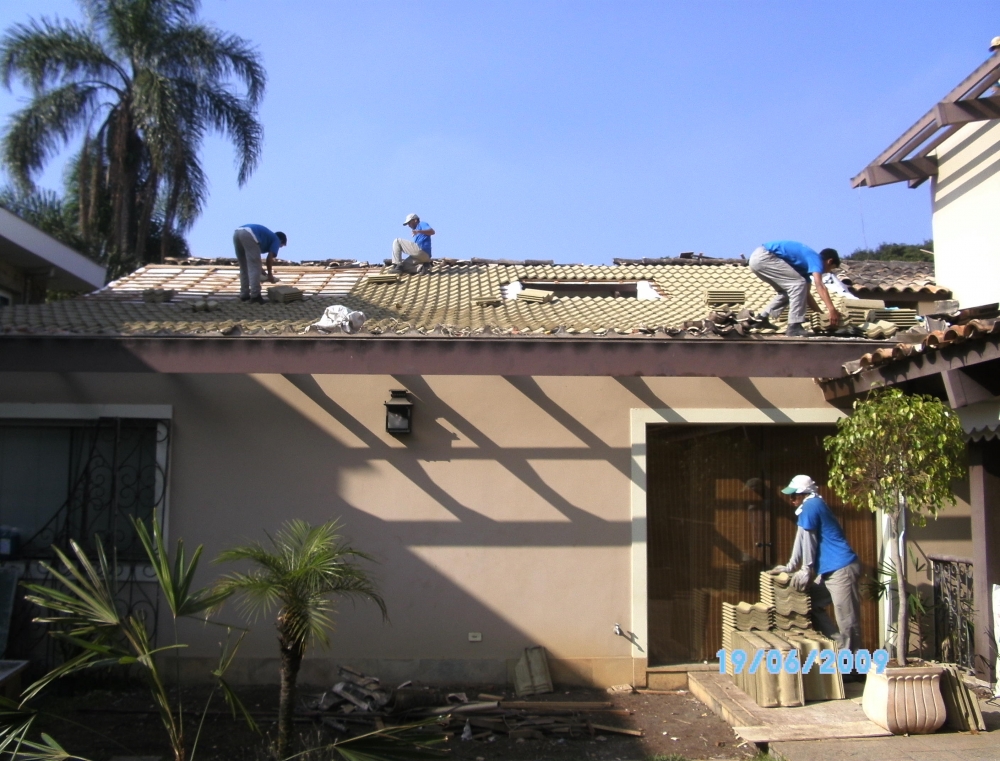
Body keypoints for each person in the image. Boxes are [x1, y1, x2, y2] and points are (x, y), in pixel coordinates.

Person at [771, 475, 862, 655]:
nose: (791, 500)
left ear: (805, 494)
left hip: (841, 568)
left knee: (847, 620)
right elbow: (801, 537)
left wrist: (806, 568)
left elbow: (810, 540)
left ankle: (853, 670)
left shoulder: (813, 505)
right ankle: (839, 646)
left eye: (794, 496)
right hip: (829, 571)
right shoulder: (808, 508)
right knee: (809, 603)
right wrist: (790, 566)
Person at [748, 242, 841, 337]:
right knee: (798, 284)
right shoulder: (816, 259)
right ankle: (794, 327)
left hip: (757, 260)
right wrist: (832, 310)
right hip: (765, 257)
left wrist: (822, 316)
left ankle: (761, 319)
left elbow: (806, 295)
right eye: (831, 268)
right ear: (829, 261)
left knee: (791, 289)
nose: (827, 271)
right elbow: (819, 285)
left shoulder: (804, 268)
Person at [233, 224, 286, 303]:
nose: (279, 248)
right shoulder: (276, 240)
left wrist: (261, 270)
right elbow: (269, 258)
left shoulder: (265, 238)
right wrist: (270, 275)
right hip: (249, 234)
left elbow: (253, 259)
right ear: (281, 241)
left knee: (244, 267)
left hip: (237, 233)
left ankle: (244, 295)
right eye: (281, 246)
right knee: (254, 268)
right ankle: (255, 296)